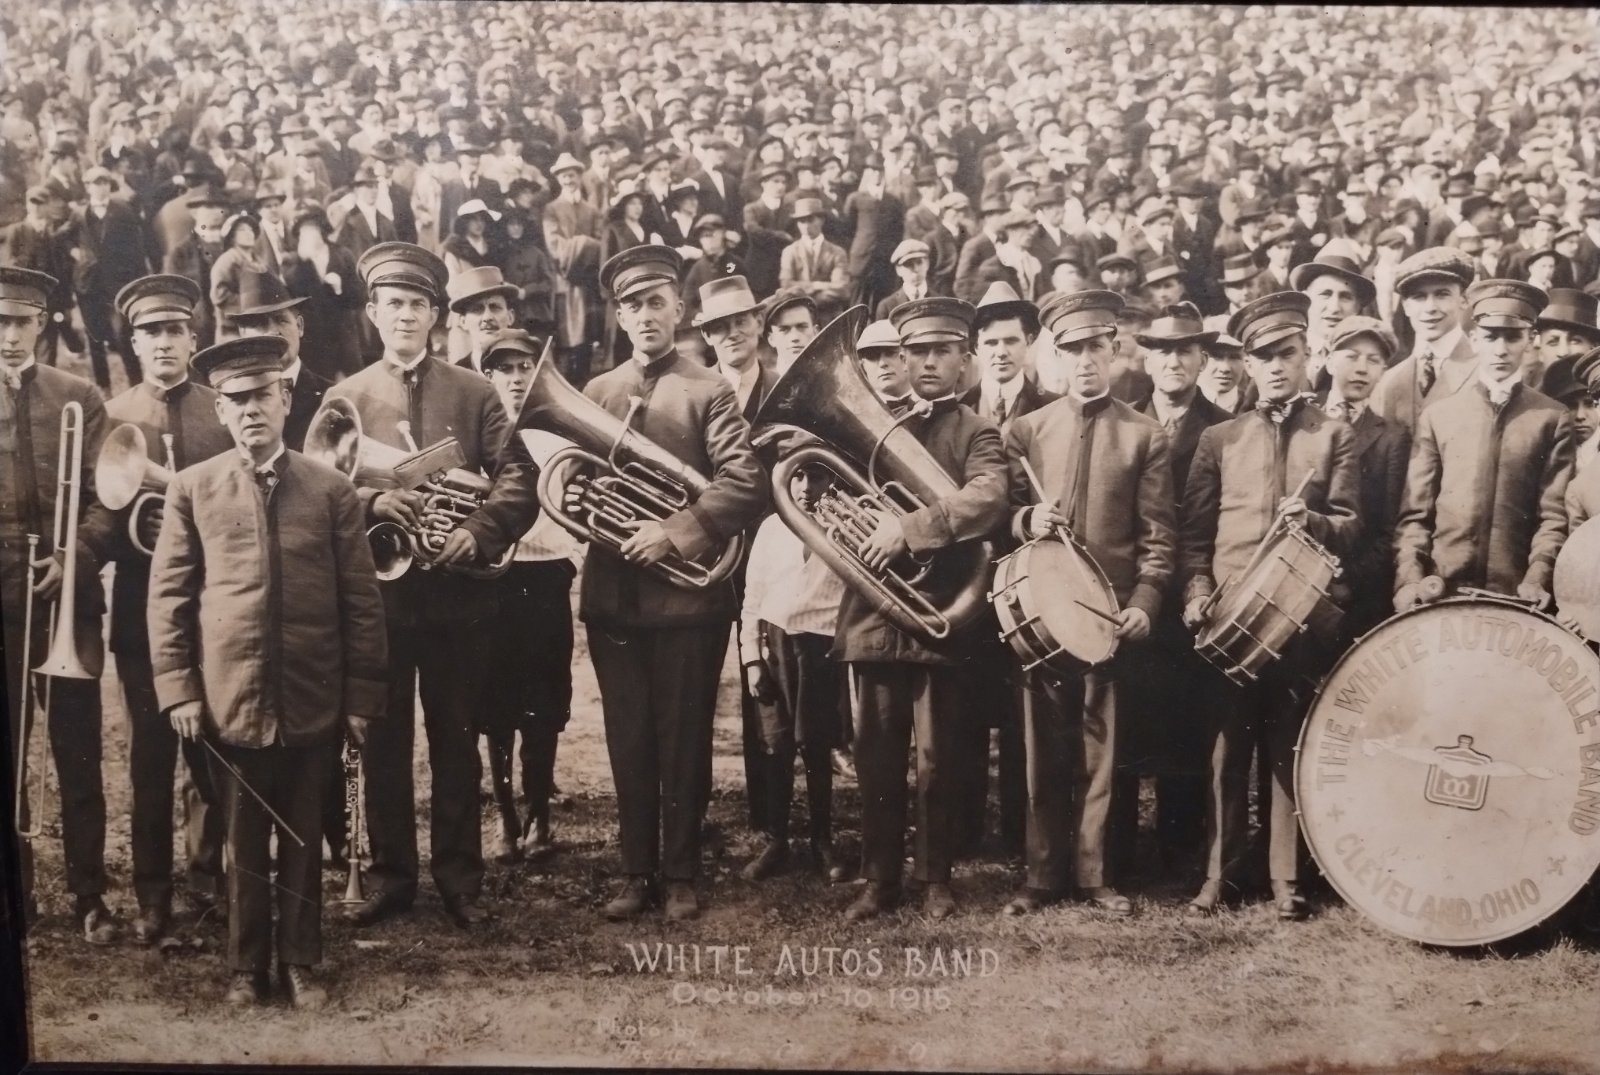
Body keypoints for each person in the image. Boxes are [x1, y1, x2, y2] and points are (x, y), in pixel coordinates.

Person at [147, 333, 386, 1009]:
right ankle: (246, 966)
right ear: (220, 410)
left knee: (304, 834)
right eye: (237, 400)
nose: (251, 409)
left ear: (286, 399)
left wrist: (361, 696)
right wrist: (180, 689)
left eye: (263, 395)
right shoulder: (193, 488)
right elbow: (169, 598)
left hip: (312, 693)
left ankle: (301, 960)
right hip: (231, 698)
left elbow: (361, 602)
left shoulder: (332, 490)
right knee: (243, 839)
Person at [325, 242, 538, 930]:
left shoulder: (474, 392)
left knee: (456, 739)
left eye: (418, 304)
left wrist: (479, 529)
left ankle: (459, 879)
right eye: (394, 304)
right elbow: (320, 490)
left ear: (436, 315)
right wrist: (371, 502)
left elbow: (518, 476)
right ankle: (391, 876)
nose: (406, 316)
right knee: (383, 742)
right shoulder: (345, 398)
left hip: (458, 597)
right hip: (380, 601)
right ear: (373, 312)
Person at [577, 246, 766, 922]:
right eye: (632, 305)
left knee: (683, 738)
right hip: (614, 597)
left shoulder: (708, 388)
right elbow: (575, 481)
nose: (645, 315)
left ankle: (681, 872)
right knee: (628, 738)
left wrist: (676, 530)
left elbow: (745, 480)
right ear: (619, 316)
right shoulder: (597, 392)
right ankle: (636, 871)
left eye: (656, 302)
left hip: (687, 597)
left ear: (679, 310)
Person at [1179, 291, 1361, 921]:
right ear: (1247, 365)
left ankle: (1287, 877)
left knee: (1288, 745)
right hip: (1231, 619)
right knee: (1226, 750)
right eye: (1264, 357)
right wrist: (1197, 593)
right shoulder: (1219, 438)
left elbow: (1353, 524)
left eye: (1287, 353)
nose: (1276, 366)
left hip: (1300, 618)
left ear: (1308, 355)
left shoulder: (1334, 436)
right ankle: (1220, 874)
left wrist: (1314, 520)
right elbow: (1194, 536)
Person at [1000, 289, 1176, 916]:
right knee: (1042, 748)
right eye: (1070, 349)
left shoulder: (1145, 435)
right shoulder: (1025, 431)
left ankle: (1095, 873)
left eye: (1095, 347)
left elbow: (1159, 538)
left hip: (1107, 618)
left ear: (1113, 349)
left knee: (1101, 752)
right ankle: (1042, 875)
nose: (1084, 361)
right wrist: (1025, 519)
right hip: (1042, 613)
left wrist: (1146, 602)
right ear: (1054, 354)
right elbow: (999, 518)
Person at [837, 296, 1008, 922]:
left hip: (942, 613)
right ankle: (879, 878)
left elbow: (989, 498)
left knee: (939, 759)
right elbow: (828, 496)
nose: (929, 362)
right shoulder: (866, 425)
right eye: (917, 352)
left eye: (943, 351)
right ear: (902, 359)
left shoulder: (976, 431)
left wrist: (909, 530)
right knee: (875, 756)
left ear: (965, 361)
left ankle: (936, 876)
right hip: (875, 612)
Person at [84, 274, 236, 945]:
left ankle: (218, 880)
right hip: (143, 612)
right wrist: (136, 528)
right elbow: (100, 516)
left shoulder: (220, 408)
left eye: (175, 330)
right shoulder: (113, 415)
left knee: (219, 753)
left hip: (218, 608)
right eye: (151, 332)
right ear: (134, 343)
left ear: (193, 339)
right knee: (149, 759)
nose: (164, 343)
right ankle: (152, 896)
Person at [0, 266, 118, 944]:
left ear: (41, 324)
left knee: (78, 756)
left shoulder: (79, 396)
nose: (9, 336)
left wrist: (77, 555)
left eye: (20, 322)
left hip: (66, 603)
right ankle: (17, 894)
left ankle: (89, 894)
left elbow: (109, 495)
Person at [1115, 302, 1233, 878]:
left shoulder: (1225, 427)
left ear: (1202, 358)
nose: (1173, 361)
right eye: (1162, 351)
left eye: (1185, 350)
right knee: (1126, 718)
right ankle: (1118, 848)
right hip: (1134, 592)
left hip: (1191, 595)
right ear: (1146, 358)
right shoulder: (1123, 420)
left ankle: (1180, 844)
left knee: (1187, 720)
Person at [1394, 281, 1574, 611]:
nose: (1501, 349)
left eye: (1513, 337)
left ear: (1530, 340)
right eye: (1491, 337)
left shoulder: (1552, 418)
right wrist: (1409, 579)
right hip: (1440, 595)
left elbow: (1553, 517)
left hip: (1517, 599)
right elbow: (1416, 517)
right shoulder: (1439, 416)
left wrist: (1538, 576)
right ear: (1475, 339)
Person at [476, 328, 581, 861]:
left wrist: (570, 558)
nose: (516, 378)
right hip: (493, 582)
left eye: (524, 368)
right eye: (504, 369)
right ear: (488, 376)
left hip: (545, 578)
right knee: (495, 707)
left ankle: (539, 816)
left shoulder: (559, 439)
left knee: (544, 705)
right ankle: (506, 818)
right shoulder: (479, 435)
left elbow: (579, 510)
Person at [737, 462, 849, 883]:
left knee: (816, 746)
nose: (805, 487)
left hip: (820, 647)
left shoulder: (844, 527)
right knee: (776, 745)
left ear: (832, 480)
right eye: (797, 477)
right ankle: (777, 840)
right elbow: (752, 598)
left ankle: (822, 840)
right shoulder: (771, 528)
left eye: (816, 477)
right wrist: (752, 659)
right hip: (775, 645)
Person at [1317, 316, 1411, 637]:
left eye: (1373, 360)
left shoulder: (1392, 438)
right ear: (1329, 360)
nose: (1361, 369)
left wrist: (1346, 578)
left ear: (1384, 370)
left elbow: (1389, 528)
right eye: (1352, 356)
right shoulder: (1302, 418)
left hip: (1353, 593)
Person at [1369, 247, 1478, 435]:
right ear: (1406, 306)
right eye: (1419, 297)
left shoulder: (1485, 371)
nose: (1430, 307)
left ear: (1464, 299)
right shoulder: (1387, 382)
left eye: (1442, 294)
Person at [779, 196, 851, 324]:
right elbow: (786, 284)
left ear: (821, 220)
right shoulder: (789, 251)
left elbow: (842, 289)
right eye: (801, 221)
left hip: (830, 316)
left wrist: (804, 295)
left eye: (810, 220)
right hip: (799, 318)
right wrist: (816, 285)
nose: (806, 226)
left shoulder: (837, 252)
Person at [761, 289, 819, 376]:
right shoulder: (765, 383)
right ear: (771, 339)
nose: (794, 337)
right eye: (784, 330)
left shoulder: (833, 379)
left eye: (802, 327)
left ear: (816, 332)